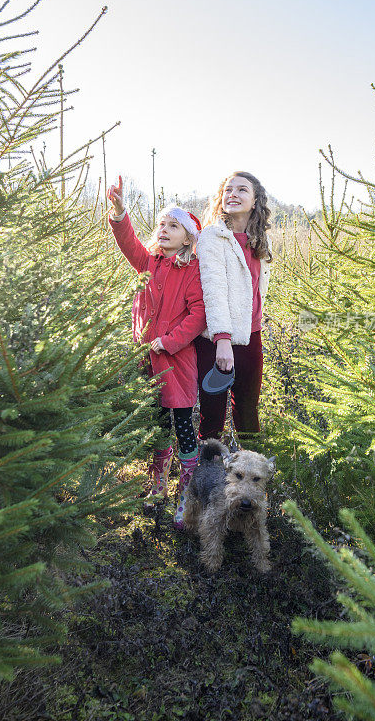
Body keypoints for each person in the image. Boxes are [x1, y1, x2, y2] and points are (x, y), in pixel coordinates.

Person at [107, 176, 206, 528]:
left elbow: (198, 315)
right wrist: (120, 213)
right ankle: (157, 483)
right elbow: (128, 242)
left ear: (188, 237)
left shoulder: (191, 269)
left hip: (176, 363)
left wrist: (169, 341)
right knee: (157, 424)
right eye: (162, 223)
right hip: (146, 361)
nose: (164, 229)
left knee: (181, 426)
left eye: (173, 225)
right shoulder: (148, 262)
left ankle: (188, 493)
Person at [196, 171, 272, 446]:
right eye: (228, 190)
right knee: (212, 416)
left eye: (242, 190)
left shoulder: (261, 241)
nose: (233, 195)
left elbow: (256, 291)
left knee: (248, 412)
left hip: (251, 336)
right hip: (216, 340)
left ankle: (251, 480)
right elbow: (213, 291)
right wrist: (223, 341)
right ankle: (207, 479)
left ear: (255, 201)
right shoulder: (212, 238)